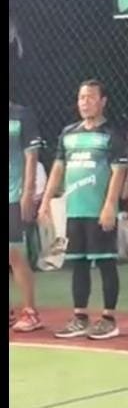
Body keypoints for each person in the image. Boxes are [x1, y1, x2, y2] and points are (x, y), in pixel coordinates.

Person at [39, 80, 128, 339]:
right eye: (81, 97)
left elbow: (119, 171)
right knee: (77, 264)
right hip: (75, 211)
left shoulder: (111, 134)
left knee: (105, 262)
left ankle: (109, 319)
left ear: (103, 101)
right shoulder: (68, 133)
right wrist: (46, 201)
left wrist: (110, 205)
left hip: (98, 211)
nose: (85, 102)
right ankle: (80, 317)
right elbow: (58, 168)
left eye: (90, 97)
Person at [9, 101, 43, 332]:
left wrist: (28, 192)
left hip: (14, 193)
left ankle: (30, 312)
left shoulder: (21, 115)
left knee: (13, 252)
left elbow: (31, 156)